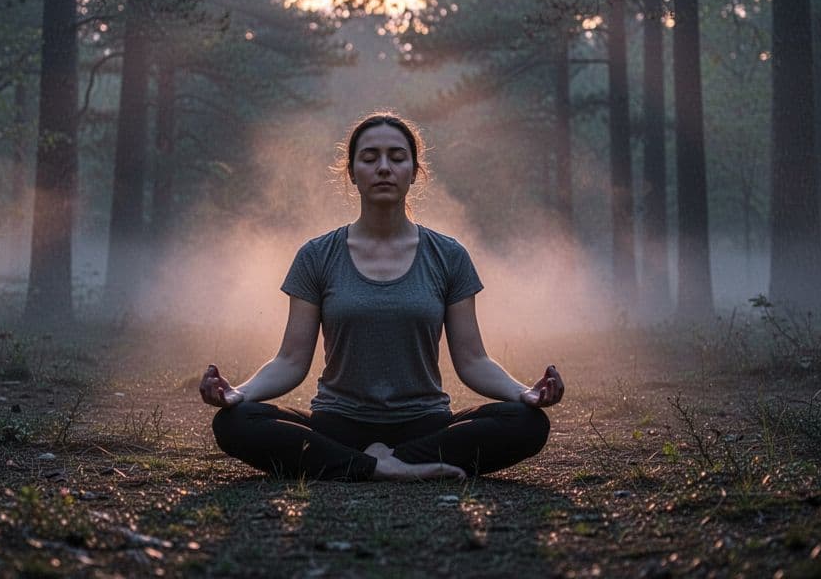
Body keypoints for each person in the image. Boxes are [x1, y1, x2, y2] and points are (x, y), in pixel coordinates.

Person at [201, 113, 565, 481]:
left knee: (526, 422)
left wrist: (525, 393)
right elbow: (291, 361)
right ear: (352, 173)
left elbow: (472, 360)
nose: (384, 168)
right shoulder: (316, 256)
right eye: (370, 158)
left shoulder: (448, 255)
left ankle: (362, 463)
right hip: (337, 425)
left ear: (414, 171)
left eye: (397, 157)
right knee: (236, 422)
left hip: (424, 425)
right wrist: (239, 392)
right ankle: (388, 468)